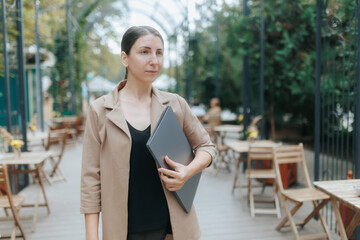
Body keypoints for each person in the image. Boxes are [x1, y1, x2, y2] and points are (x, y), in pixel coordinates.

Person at [80, 26, 217, 240]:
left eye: (159, 52)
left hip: (173, 227)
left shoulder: (175, 104)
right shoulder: (100, 110)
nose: (154, 60)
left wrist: (188, 172)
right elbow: (90, 180)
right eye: (144, 52)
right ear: (125, 58)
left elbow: (207, 146)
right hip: (123, 229)